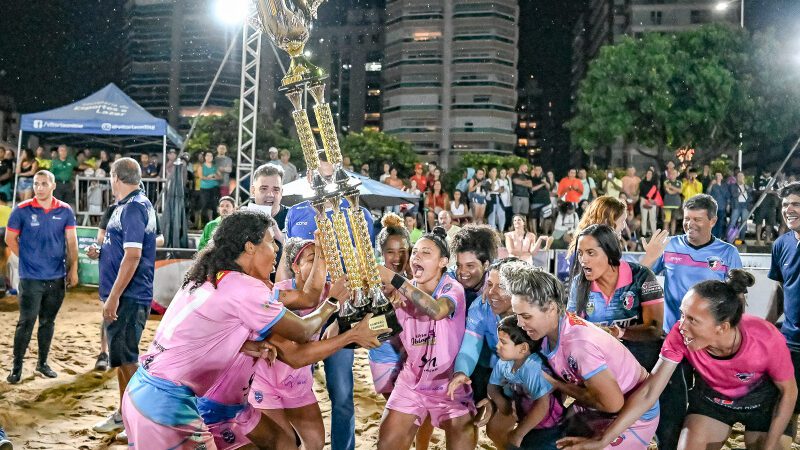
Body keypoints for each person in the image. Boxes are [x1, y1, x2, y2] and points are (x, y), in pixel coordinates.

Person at [120, 211, 360, 448]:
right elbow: (302, 332)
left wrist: (242, 344)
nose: (276, 249)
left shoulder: (210, 277)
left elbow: (196, 333)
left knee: (282, 442)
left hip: (145, 390)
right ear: (250, 247)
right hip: (167, 404)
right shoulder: (245, 289)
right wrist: (333, 302)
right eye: (270, 241)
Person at [559, 271, 797, 450]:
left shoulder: (765, 338)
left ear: (722, 327)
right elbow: (650, 389)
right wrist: (603, 439)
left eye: (693, 320)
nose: (681, 326)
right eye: (682, 315)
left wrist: (770, 445)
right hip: (714, 401)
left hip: (762, 405)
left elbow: (789, 393)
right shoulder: (679, 334)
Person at [501, 263, 659, 450]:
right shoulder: (552, 329)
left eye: (526, 316)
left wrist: (558, 384)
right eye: (517, 316)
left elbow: (612, 404)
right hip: (600, 406)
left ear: (551, 308)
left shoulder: (578, 345)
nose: (520, 323)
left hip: (632, 416)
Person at [282, 160, 375, 450]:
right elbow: (287, 263)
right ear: (309, 175)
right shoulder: (295, 212)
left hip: (340, 309)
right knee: (293, 389)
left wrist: (346, 311)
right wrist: (281, 298)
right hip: (301, 310)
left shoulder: (359, 212)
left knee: (342, 394)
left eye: (331, 172)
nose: (325, 178)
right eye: (319, 172)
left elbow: (365, 266)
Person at [640, 193, 742, 450]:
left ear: (713, 221)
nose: (690, 224)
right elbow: (641, 279)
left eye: (698, 219)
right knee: (672, 399)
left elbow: (737, 298)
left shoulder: (727, 252)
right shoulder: (670, 246)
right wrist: (649, 257)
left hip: (711, 342)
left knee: (707, 399)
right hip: (675, 338)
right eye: (687, 219)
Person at [376, 227, 477, 450]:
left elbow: (436, 310)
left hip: (449, 384)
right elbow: (380, 330)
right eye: (415, 253)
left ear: (443, 262)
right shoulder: (398, 291)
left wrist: (395, 280)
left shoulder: (452, 288)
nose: (417, 257)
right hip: (412, 382)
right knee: (386, 444)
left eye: (426, 253)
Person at [91, 158, 157, 439]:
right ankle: (124, 414)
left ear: (115, 177)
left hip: (128, 297)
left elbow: (133, 256)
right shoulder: (128, 206)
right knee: (123, 358)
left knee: (128, 361)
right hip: (126, 295)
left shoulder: (133, 207)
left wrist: (114, 296)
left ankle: (141, 423)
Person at [5, 170, 78, 384]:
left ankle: (42, 363)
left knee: (48, 321)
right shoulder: (21, 209)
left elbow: (72, 243)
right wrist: (28, 259)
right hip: (30, 278)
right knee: (26, 321)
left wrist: (73, 269)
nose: (39, 187)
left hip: (56, 277)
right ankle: (16, 366)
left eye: (44, 183)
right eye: (36, 184)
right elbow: (10, 239)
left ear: (53, 185)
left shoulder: (65, 211)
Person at [455, 315, 563, 450]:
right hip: (524, 414)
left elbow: (542, 405)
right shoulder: (504, 363)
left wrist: (518, 434)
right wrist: (502, 403)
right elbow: (493, 386)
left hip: (547, 428)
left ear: (523, 348)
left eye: (503, 342)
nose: (497, 346)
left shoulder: (533, 368)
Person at [568, 225, 665, 370]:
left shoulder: (642, 276)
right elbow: (573, 326)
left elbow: (654, 329)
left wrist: (619, 332)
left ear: (610, 252)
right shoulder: (579, 283)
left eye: (591, 253)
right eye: (580, 253)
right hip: (600, 366)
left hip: (640, 364)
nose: (583, 260)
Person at [447, 257, 521, 434]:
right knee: (485, 427)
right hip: (493, 373)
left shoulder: (534, 312)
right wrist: (461, 372)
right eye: (489, 284)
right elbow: (470, 346)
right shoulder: (480, 306)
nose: (491, 292)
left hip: (529, 378)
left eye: (501, 286)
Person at [767, 181, 800, 430]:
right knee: (787, 404)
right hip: (790, 341)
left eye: (796, 204)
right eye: (786, 204)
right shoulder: (781, 244)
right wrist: (766, 328)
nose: (790, 209)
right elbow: (780, 289)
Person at [728, 171, 753, 242]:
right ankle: (729, 239)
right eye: (739, 176)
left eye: (742, 176)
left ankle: (742, 239)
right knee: (733, 221)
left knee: (744, 223)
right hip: (737, 205)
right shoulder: (733, 186)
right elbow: (733, 194)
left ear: (744, 177)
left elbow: (751, 193)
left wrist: (745, 186)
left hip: (745, 205)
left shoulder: (747, 186)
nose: (740, 178)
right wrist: (740, 192)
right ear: (736, 178)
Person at [198, 150, 220, 227]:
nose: (209, 157)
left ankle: (216, 225)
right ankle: (205, 225)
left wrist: (215, 176)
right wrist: (208, 177)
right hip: (204, 188)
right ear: (204, 157)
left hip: (214, 187)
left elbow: (220, 177)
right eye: (207, 155)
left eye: (211, 156)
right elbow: (200, 176)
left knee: (215, 206)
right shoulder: (201, 166)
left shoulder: (214, 166)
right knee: (204, 206)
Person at [707, 172, 730, 239]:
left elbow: (727, 196)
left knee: (720, 222)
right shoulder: (713, 185)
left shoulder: (724, 186)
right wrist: (711, 184)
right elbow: (708, 193)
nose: (718, 177)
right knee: (714, 223)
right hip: (714, 207)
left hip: (722, 206)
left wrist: (728, 204)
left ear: (722, 177)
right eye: (716, 175)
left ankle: (719, 237)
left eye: (719, 175)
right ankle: (713, 237)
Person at [639, 169, 660, 237]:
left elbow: (655, 193)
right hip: (643, 200)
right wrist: (644, 200)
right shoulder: (642, 182)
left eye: (650, 174)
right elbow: (641, 193)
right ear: (646, 174)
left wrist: (652, 200)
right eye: (648, 173)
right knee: (644, 218)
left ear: (652, 175)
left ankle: (654, 233)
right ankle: (643, 233)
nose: (649, 175)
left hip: (652, 201)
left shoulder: (654, 183)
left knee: (653, 218)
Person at [662, 169, 682, 235]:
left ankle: (673, 235)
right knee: (667, 221)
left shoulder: (679, 182)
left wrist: (671, 187)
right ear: (669, 175)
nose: (672, 175)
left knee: (674, 220)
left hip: (676, 205)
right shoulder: (666, 182)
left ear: (677, 174)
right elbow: (669, 192)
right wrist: (676, 190)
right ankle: (665, 236)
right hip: (667, 204)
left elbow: (680, 191)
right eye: (671, 173)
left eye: (674, 173)